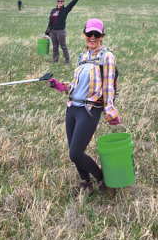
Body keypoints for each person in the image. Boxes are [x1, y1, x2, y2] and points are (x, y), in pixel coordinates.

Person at [48, 19, 121, 197]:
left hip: (89, 109)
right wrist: (61, 86)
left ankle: (103, 180)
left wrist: (109, 109)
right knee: (73, 148)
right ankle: (85, 182)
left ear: (102, 36)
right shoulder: (83, 56)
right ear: (84, 34)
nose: (93, 37)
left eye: (97, 34)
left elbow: (108, 86)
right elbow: (75, 85)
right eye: (89, 34)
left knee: (75, 153)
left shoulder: (107, 56)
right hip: (72, 106)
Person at [46, 0, 85, 64]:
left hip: (60, 31)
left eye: (61, 1)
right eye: (58, 1)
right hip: (52, 30)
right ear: (57, 2)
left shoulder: (65, 10)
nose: (60, 2)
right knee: (55, 47)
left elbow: (72, 3)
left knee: (63, 46)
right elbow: (50, 19)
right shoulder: (53, 10)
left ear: (63, 2)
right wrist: (48, 28)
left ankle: (67, 61)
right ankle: (55, 60)